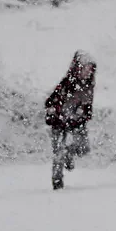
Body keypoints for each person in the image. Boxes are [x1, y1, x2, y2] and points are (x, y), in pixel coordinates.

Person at [45, 50, 96, 190]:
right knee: (58, 153)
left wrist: (84, 113)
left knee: (84, 148)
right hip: (58, 121)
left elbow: (87, 104)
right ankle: (57, 183)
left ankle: (69, 154)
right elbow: (50, 101)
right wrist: (57, 111)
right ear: (77, 67)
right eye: (85, 67)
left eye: (90, 68)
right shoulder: (67, 83)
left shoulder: (89, 84)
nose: (88, 71)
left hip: (77, 122)